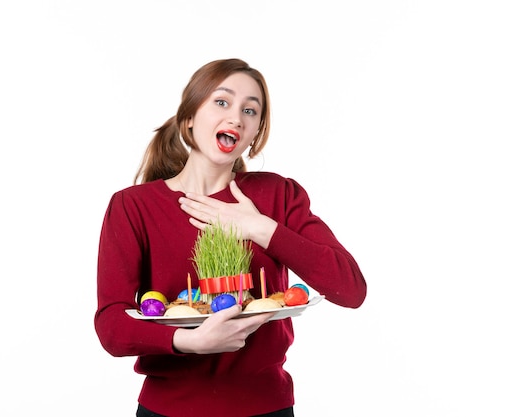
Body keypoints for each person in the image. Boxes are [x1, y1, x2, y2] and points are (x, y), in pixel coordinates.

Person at [94, 58, 367, 417]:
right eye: (221, 102)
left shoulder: (278, 195)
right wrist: (190, 342)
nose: (237, 117)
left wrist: (259, 228)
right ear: (189, 117)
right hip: (168, 410)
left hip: (266, 408)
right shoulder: (133, 206)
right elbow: (111, 325)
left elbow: (350, 289)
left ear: (255, 132)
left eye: (250, 110)